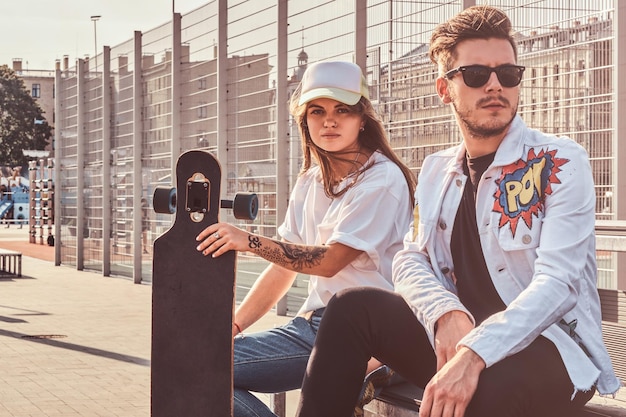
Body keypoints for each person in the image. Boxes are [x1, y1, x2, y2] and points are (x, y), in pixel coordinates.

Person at [295, 6, 621, 417]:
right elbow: (410, 258)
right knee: (350, 308)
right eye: (476, 75)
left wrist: (473, 353)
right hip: (461, 335)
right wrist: (444, 312)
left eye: (507, 74)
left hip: (549, 349)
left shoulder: (558, 162)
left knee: (485, 393)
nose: (495, 86)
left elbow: (558, 284)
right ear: (445, 88)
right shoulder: (435, 171)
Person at [195, 60, 417, 417]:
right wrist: (234, 325)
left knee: (200, 369)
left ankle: (375, 367)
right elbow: (283, 270)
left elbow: (329, 262)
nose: (329, 120)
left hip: (364, 332)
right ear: (305, 120)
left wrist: (247, 240)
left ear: (362, 119)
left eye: (342, 110)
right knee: (197, 361)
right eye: (318, 111)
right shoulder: (310, 181)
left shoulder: (382, 180)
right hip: (314, 325)